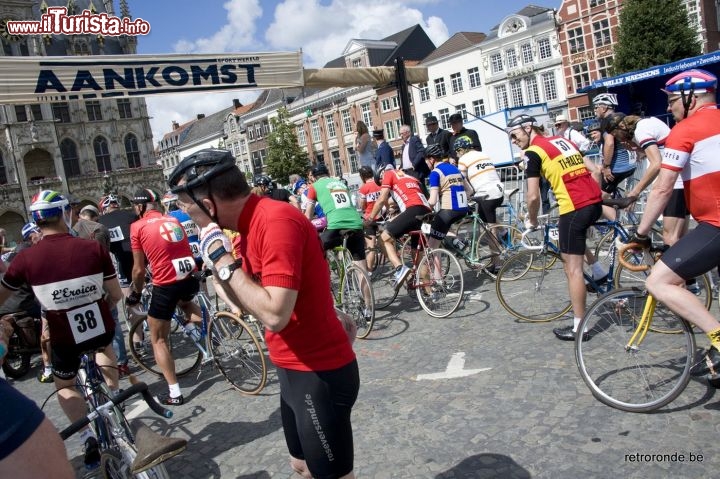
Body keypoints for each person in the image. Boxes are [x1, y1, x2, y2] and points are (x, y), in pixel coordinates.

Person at [167, 148, 359, 479]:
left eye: (186, 206)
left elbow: (273, 315)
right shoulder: (248, 225)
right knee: (300, 465)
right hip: (291, 367)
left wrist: (220, 256)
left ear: (208, 206)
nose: (183, 214)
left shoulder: (274, 221)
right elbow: (244, 302)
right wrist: (216, 262)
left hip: (318, 371)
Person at [0, 190, 121, 468]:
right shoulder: (92, 248)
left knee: (65, 384)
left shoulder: (26, 259)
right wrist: (104, 303)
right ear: (65, 213)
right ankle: (113, 399)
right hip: (98, 325)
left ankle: (86, 433)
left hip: (63, 335)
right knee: (103, 348)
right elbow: (115, 294)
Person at [628, 69, 720, 377]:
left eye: (672, 100)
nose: (669, 108)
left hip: (716, 223)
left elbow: (663, 187)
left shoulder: (685, 130)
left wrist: (640, 232)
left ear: (690, 97)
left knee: (658, 281)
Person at [508, 115, 603, 342]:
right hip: (593, 203)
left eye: (514, 134)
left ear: (528, 128)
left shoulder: (534, 152)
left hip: (573, 208)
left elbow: (532, 197)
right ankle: (600, 272)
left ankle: (580, 328)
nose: (512, 140)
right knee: (567, 248)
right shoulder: (563, 141)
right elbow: (596, 170)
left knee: (573, 270)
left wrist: (531, 221)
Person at [127, 188, 202, 406]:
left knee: (158, 337)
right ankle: (199, 331)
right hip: (188, 276)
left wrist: (137, 293)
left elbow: (139, 270)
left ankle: (174, 392)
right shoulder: (172, 220)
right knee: (186, 303)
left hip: (165, 284)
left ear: (140, 207)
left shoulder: (137, 226)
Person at [607, 112, 686, 247]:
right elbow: (658, 152)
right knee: (680, 238)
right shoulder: (649, 121)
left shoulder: (641, 129)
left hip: (675, 183)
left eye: (615, 134)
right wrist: (635, 147)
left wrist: (634, 192)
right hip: (679, 179)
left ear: (621, 126)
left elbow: (656, 164)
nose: (618, 139)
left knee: (670, 238)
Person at [366, 166, 431, 289]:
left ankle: (400, 269)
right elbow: (416, 198)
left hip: (413, 210)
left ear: (381, 176)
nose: (383, 185)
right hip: (426, 212)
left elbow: (382, 199)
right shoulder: (410, 177)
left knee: (383, 239)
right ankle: (429, 292)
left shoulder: (388, 174)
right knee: (418, 256)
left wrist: (370, 219)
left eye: (381, 184)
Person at [0, 223, 47, 382]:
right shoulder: (30, 254)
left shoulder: (11, 255)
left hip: (3, 306)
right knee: (48, 317)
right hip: (21, 303)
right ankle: (48, 361)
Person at [455, 138, 506, 272]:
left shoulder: (463, 159)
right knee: (486, 220)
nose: (457, 154)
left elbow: (461, 180)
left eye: (457, 151)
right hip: (498, 191)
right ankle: (504, 231)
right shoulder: (483, 154)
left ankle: (498, 263)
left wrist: (464, 195)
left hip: (486, 194)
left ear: (461, 149)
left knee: (489, 230)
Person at [424, 144, 472, 251]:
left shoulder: (435, 173)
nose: (426, 164)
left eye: (426, 161)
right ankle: (459, 243)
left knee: (432, 247)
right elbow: (470, 190)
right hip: (463, 209)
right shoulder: (454, 168)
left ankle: (437, 268)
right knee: (443, 228)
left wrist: (421, 209)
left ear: (431, 159)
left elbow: (433, 200)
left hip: (448, 210)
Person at [593, 93, 636, 199]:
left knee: (598, 195)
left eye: (596, 107)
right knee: (615, 194)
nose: (595, 110)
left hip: (618, 168)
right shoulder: (622, 116)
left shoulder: (607, 121)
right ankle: (620, 205)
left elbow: (610, 143)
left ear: (604, 108)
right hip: (631, 165)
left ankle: (614, 214)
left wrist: (606, 167)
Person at [356, 166, 383, 270]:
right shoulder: (379, 184)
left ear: (362, 177)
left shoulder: (364, 188)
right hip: (381, 216)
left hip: (369, 219)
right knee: (387, 242)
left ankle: (369, 271)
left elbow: (362, 205)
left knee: (371, 248)